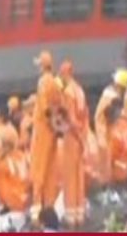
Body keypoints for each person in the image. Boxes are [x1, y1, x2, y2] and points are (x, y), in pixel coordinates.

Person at [29, 52, 61, 224]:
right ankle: (48, 207)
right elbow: (58, 107)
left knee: (38, 170)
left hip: (42, 132)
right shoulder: (55, 83)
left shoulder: (43, 82)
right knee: (50, 173)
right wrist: (56, 126)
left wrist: (49, 122)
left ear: (42, 66)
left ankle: (36, 213)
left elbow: (45, 108)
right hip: (52, 134)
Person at [59, 61, 89, 227]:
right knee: (79, 176)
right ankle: (80, 213)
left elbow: (70, 118)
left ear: (65, 73)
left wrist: (76, 134)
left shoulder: (68, 92)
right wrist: (83, 136)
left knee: (70, 176)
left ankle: (71, 216)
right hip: (80, 137)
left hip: (72, 138)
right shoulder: (80, 91)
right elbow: (84, 115)